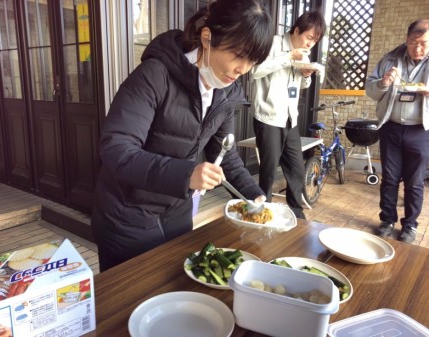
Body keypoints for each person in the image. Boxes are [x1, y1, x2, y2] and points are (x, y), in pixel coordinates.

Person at [91, 0, 274, 272]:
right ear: (207, 37)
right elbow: (117, 149)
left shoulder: (223, 91)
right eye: (238, 54)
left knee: (175, 288)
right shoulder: (154, 75)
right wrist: (186, 174)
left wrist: (253, 195)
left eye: (252, 60)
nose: (243, 69)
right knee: (130, 304)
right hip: (127, 215)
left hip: (177, 214)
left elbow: (223, 153)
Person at [249, 11, 326, 219]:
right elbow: (254, 71)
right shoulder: (271, 44)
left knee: (296, 170)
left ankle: (296, 216)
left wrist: (306, 75)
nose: (310, 44)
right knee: (268, 171)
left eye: (315, 41)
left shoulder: (304, 54)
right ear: (296, 30)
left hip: (290, 118)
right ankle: (262, 215)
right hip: (268, 117)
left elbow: (300, 85)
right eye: (309, 38)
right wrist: (289, 57)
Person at [366, 19, 429, 244]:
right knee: (390, 179)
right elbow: (370, 91)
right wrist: (383, 82)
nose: (418, 49)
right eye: (414, 43)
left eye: (424, 44)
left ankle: (410, 225)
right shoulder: (390, 59)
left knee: (415, 181)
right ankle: (387, 221)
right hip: (391, 127)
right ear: (407, 38)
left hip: (421, 131)